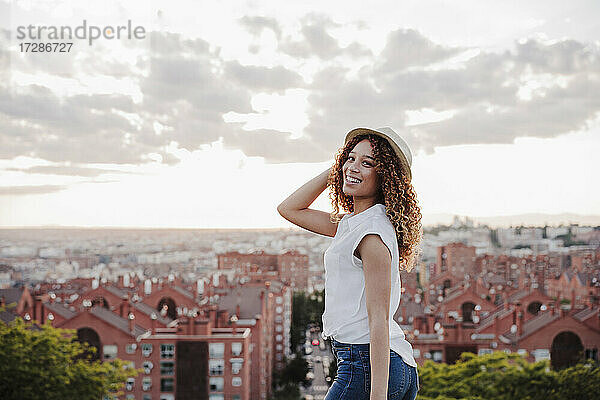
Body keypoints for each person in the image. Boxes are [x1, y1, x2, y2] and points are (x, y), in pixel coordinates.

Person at [277, 127, 423, 400]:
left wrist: (377, 395)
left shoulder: (370, 234)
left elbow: (377, 318)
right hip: (386, 365)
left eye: (367, 163)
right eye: (351, 158)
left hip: (366, 366)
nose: (353, 167)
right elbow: (290, 209)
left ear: (386, 178)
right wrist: (339, 168)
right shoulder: (353, 224)